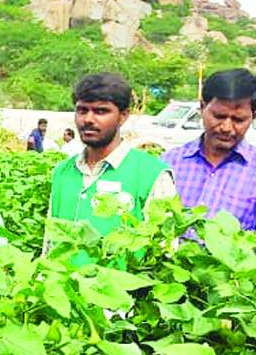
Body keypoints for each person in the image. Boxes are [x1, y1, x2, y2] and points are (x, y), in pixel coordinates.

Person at [161, 68, 256, 240]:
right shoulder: (169, 163)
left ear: (254, 116)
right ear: (202, 108)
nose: (226, 127)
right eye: (218, 116)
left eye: (238, 120)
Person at [49, 72, 177, 237]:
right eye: (82, 110)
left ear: (123, 116)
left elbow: (165, 248)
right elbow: (50, 241)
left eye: (101, 111)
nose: (88, 119)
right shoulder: (63, 172)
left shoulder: (152, 174)